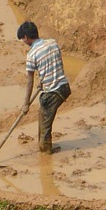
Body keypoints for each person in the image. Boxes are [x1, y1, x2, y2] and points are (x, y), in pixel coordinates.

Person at [17, 20, 70, 154]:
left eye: (22, 39)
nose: (23, 42)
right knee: (42, 115)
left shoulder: (32, 55)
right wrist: (44, 81)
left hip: (53, 93)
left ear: (26, 37)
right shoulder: (53, 43)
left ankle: (46, 155)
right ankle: (45, 145)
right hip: (64, 87)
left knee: (44, 132)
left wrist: (26, 104)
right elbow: (55, 64)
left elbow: (29, 81)